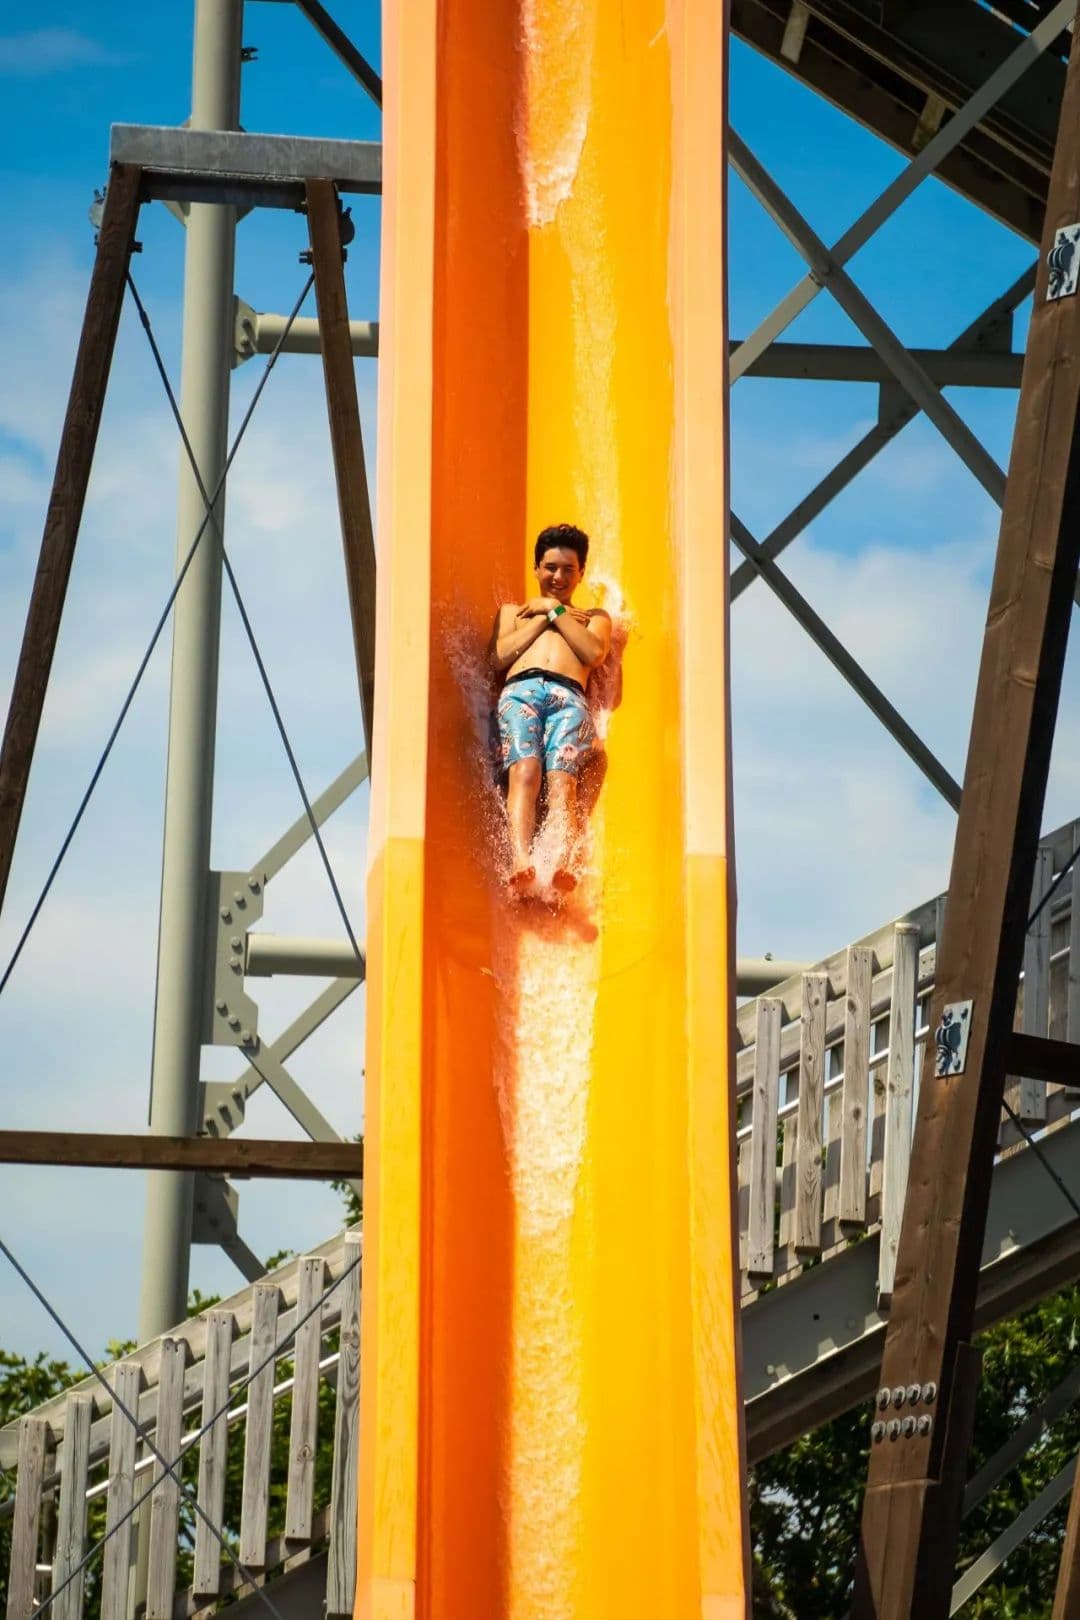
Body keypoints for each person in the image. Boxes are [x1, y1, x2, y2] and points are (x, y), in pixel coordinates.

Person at [489, 522, 612, 894]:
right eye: (551, 567)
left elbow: (593, 653)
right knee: (526, 770)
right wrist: (544, 616)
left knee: (562, 779)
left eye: (568, 569)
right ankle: (520, 859)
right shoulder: (514, 612)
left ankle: (561, 862)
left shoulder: (594, 617)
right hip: (520, 692)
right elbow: (498, 657)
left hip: (568, 697)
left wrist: (556, 610)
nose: (558, 576)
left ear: (581, 573)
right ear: (536, 569)